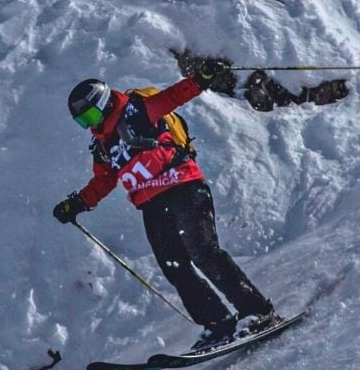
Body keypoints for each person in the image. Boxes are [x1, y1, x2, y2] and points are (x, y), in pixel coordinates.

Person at [52, 60, 279, 349]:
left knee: (204, 253)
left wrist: (201, 79)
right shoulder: (103, 147)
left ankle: (258, 311)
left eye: (92, 115)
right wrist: (77, 204)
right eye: (83, 121)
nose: (91, 124)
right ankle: (218, 323)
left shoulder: (136, 110)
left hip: (183, 186)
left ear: (105, 102)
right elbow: (103, 182)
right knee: (175, 267)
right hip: (152, 205)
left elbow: (172, 97)